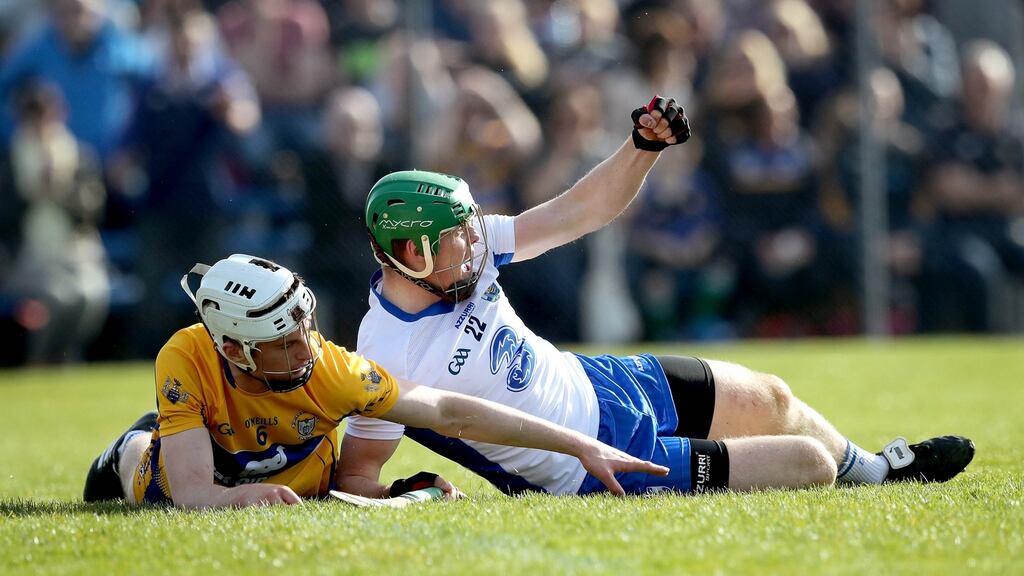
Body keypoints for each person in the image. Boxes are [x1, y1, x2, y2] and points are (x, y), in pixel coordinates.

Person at [340, 95, 975, 497]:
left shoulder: (464, 257)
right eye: (457, 237)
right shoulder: (388, 353)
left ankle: (884, 472)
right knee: (809, 462)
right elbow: (359, 473)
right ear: (410, 254)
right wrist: (407, 493)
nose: (476, 244)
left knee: (773, 396)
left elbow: (576, 213)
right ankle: (865, 475)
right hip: (593, 468)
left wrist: (642, 149)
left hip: (598, 381)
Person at [82, 254, 667, 508]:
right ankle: (132, 441)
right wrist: (237, 498)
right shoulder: (185, 356)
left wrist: (576, 444)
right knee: (137, 470)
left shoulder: (333, 369)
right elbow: (189, 496)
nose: (305, 348)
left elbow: (448, 410)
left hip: (291, 471)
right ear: (232, 347)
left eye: (305, 329)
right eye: (284, 342)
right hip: (195, 463)